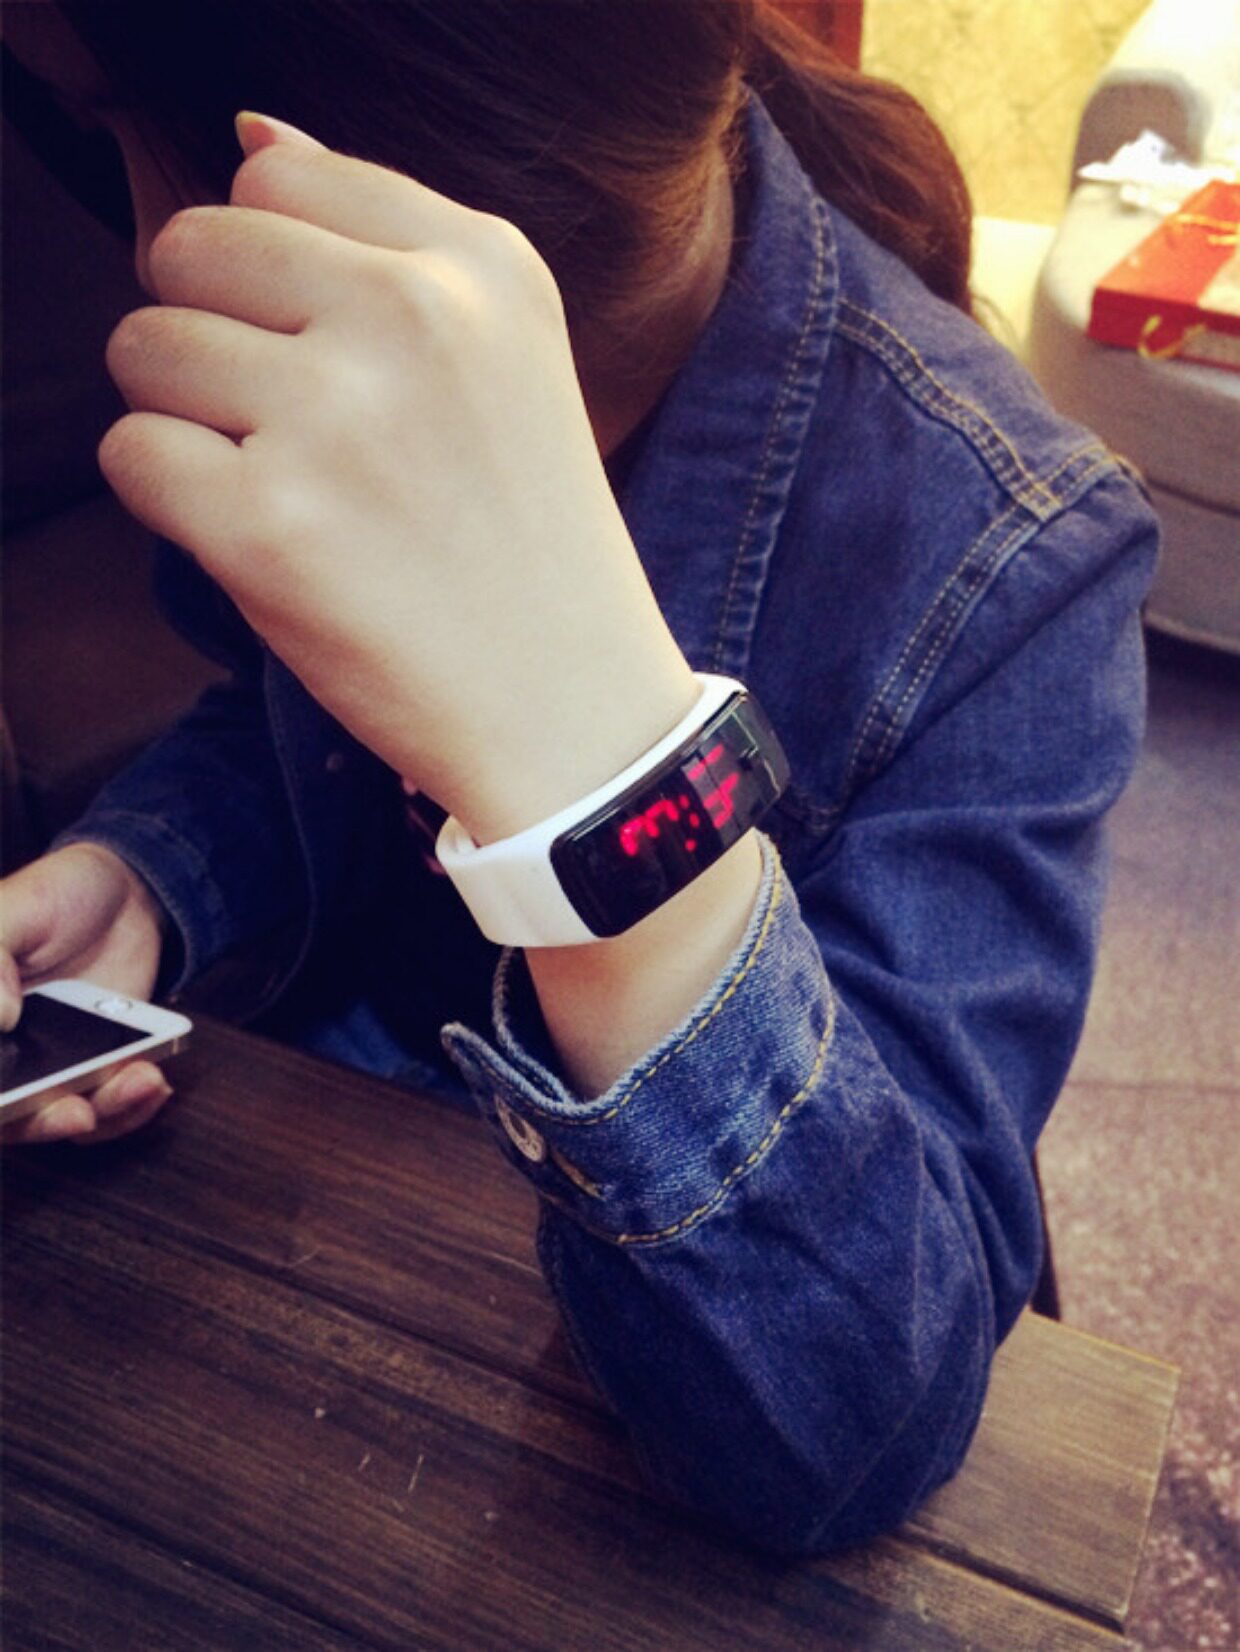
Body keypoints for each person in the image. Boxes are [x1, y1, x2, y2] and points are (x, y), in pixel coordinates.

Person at [0, 1, 1158, 1553]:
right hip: (293, 1265)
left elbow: (852, 1422)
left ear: (312, 145)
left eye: (122, 129)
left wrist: (609, 784)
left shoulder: (1017, 556)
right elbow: (287, 732)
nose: (143, 240)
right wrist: (148, 878)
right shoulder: (308, 412)